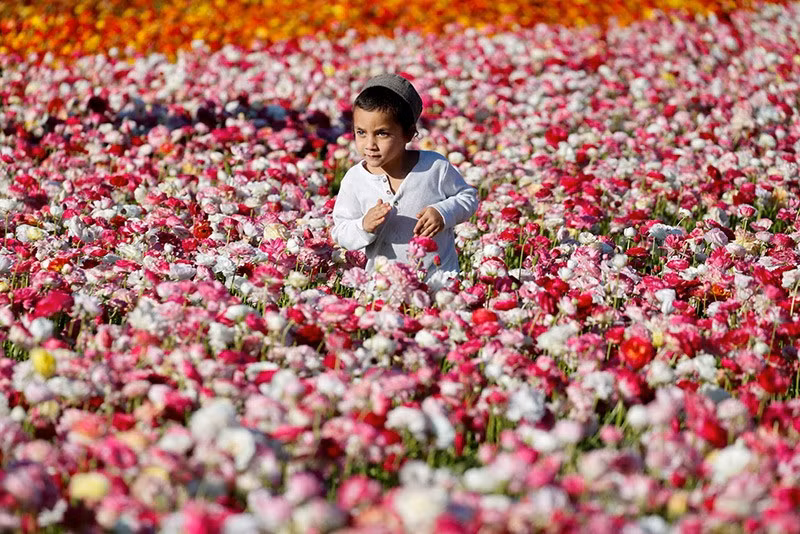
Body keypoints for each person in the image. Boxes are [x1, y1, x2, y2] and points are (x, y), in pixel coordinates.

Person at [331, 73, 478, 279]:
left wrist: (443, 213)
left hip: (439, 280)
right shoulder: (355, 179)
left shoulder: (434, 167)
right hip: (383, 285)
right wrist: (364, 225)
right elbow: (341, 231)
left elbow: (469, 197)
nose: (369, 144)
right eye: (361, 132)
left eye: (382, 133)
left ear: (408, 133)